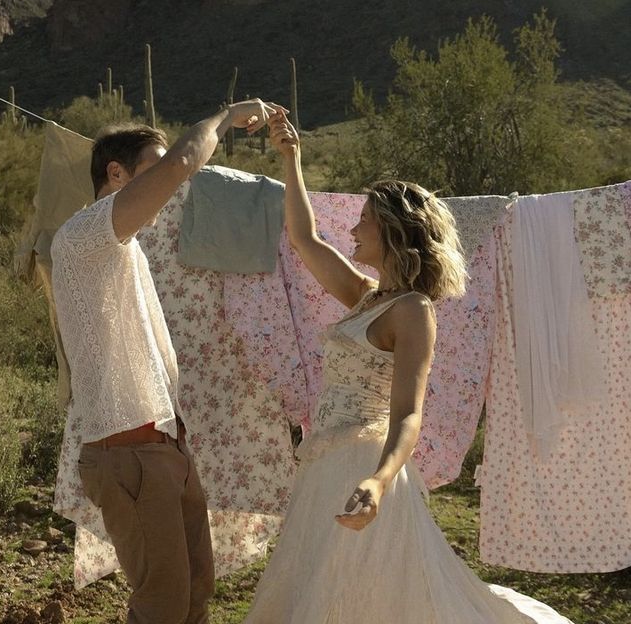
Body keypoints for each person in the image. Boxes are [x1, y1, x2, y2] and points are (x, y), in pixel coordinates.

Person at [243, 110, 574, 623]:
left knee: (366, 594)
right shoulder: (365, 297)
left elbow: (408, 415)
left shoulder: (414, 312)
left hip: (364, 465)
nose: (353, 228)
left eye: (365, 220)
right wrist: (292, 158)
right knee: (322, 589)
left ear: (393, 232)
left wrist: (378, 480)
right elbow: (306, 239)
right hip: (323, 465)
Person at [51, 100, 280, 624]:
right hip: (127, 450)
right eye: (151, 169)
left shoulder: (126, 246)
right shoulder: (86, 236)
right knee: (162, 606)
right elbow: (183, 161)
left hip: (164, 447)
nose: (174, 186)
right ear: (116, 174)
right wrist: (224, 117)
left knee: (195, 593)